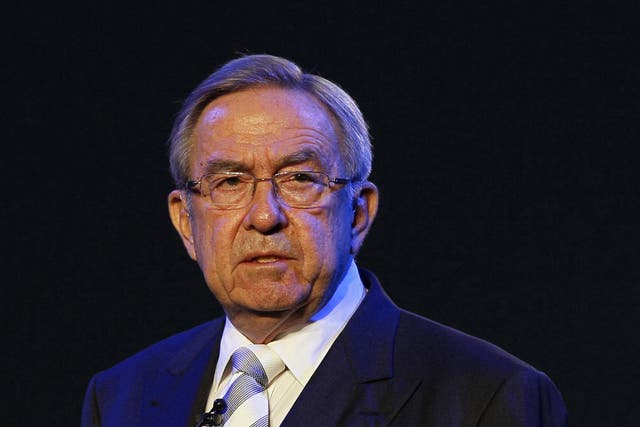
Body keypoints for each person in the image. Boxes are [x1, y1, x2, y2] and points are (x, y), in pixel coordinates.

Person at [81, 54, 568, 426]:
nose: (264, 216)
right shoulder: (121, 396)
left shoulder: (488, 396)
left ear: (358, 213)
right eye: (229, 183)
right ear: (186, 222)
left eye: (299, 179)